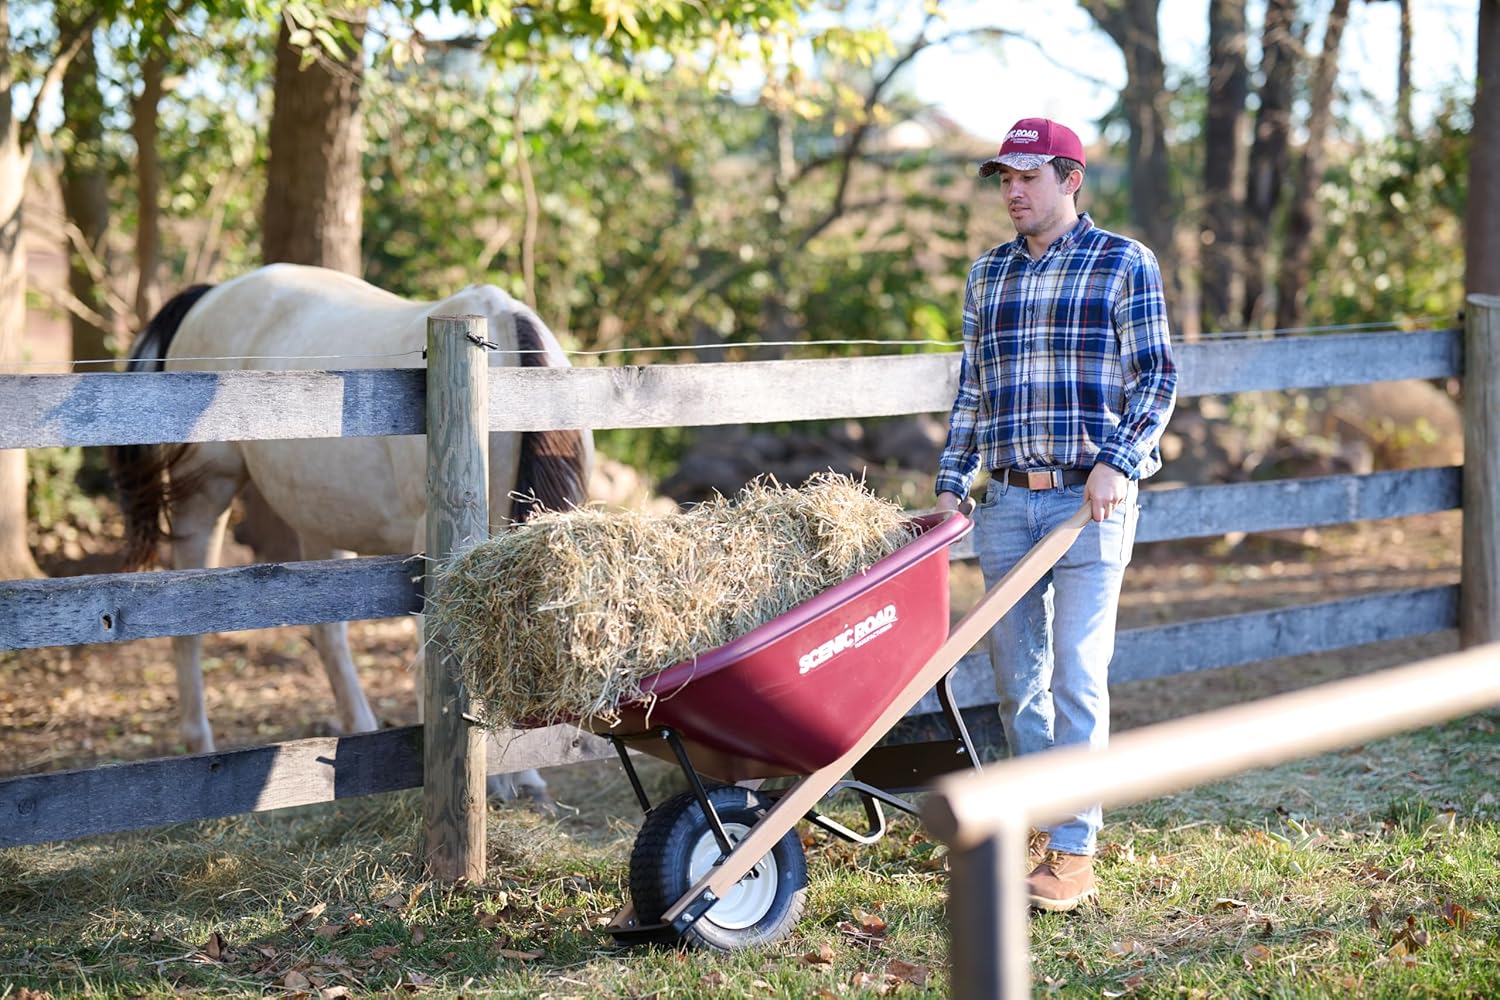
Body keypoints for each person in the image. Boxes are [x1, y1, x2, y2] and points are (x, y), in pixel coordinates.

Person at [934, 117, 1177, 912]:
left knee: (1077, 671)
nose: (1013, 191)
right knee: (1018, 683)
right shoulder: (988, 275)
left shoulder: (1124, 263)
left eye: (1028, 177)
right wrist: (951, 484)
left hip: (1088, 502)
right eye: (1004, 178)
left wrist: (1118, 460)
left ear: (1071, 180)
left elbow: (1156, 379)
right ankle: (1040, 817)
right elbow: (972, 392)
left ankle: (1073, 849)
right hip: (1007, 501)